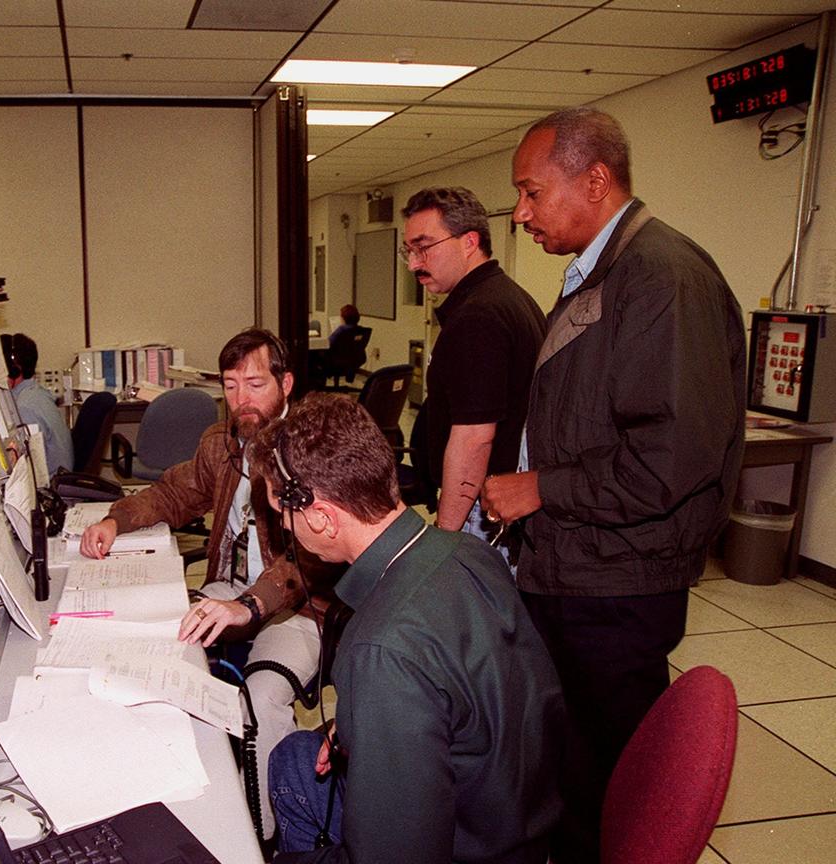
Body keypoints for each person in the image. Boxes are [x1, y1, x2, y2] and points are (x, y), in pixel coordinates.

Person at [481, 106, 746, 864]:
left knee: (616, 788)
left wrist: (542, 488)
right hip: (577, 567)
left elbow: (672, 459)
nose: (521, 214)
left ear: (596, 180)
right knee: (571, 770)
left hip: (617, 584)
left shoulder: (662, 277)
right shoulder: (605, 268)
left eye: (532, 193)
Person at [256, 394, 563, 864]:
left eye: (284, 513)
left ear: (321, 516)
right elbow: (474, 691)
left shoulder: (380, 648)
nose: (285, 528)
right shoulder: (468, 551)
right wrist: (364, 722)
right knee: (297, 757)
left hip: (469, 846)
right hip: (520, 822)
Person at [78, 328, 339, 839]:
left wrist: (249, 606)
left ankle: (268, 835)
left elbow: (308, 561)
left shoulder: (310, 449)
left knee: (262, 701)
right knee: (158, 645)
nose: (242, 399)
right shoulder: (221, 444)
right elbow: (174, 495)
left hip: (301, 606)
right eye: (231, 385)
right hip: (234, 591)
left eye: (256, 384)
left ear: (286, 383)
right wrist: (117, 519)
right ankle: (186, 801)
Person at [401, 186, 546, 540]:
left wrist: (446, 536)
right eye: (409, 251)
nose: (413, 263)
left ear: (469, 242)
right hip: (501, 504)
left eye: (424, 247)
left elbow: (474, 440)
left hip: (482, 509)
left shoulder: (478, 317)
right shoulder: (510, 297)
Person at [2, 333, 74, 475]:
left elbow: (29, 473)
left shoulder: (24, 408)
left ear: (13, 369)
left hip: (51, 489)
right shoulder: (37, 394)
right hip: (59, 477)